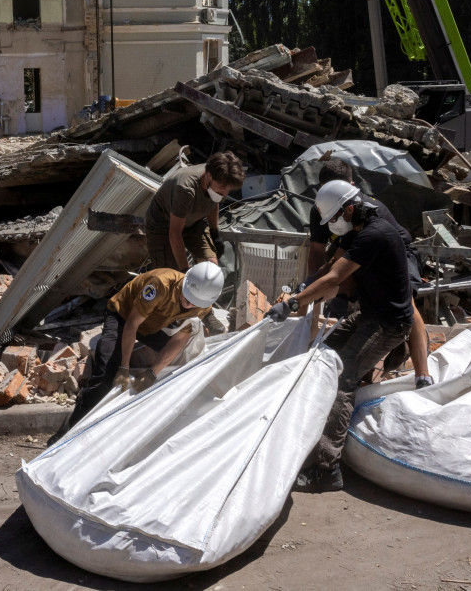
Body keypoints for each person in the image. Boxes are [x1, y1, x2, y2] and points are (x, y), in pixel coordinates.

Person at [271, 180, 414, 492]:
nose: (333, 226)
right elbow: (329, 271)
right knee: (318, 359)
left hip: (388, 323)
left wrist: (296, 303)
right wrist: (301, 292)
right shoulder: (357, 232)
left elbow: (336, 278)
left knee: (343, 380)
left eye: (334, 218)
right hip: (369, 314)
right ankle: (304, 440)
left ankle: (326, 469)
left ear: (350, 208)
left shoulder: (375, 234)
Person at [50, 262, 225, 444]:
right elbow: (132, 323)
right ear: (186, 282)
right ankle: (65, 433)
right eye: (187, 298)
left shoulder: (202, 303)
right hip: (122, 316)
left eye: (193, 304)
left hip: (153, 325)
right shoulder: (159, 285)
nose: (188, 305)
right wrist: (123, 367)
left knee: (182, 358)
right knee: (105, 377)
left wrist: (153, 373)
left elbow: (179, 339)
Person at [304, 157, 432, 389]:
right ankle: (375, 356)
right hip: (358, 253)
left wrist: (322, 290)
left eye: (350, 186)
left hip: (398, 254)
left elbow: (338, 267)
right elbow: (318, 254)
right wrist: (311, 291)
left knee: (405, 305)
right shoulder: (324, 208)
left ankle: (423, 375)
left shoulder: (368, 213)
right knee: (367, 308)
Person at [143, 151, 245, 272]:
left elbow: (213, 203)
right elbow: (175, 233)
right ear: (209, 175)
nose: (224, 193)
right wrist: (184, 270)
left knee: (210, 268)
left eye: (228, 190)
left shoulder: (221, 181)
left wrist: (214, 232)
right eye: (222, 189)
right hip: (163, 226)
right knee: (171, 277)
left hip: (194, 221)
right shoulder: (186, 189)